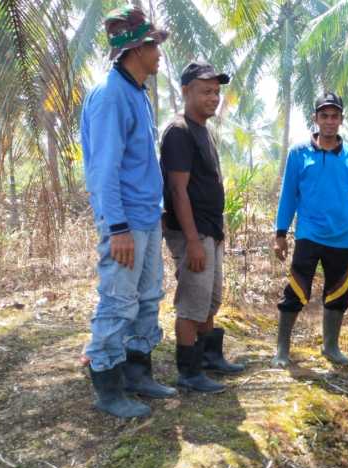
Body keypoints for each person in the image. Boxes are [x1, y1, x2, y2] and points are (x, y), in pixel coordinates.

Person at [80, 6, 176, 418]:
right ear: (137, 48)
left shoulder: (136, 92)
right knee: (118, 301)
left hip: (146, 216)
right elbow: (104, 170)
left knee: (148, 296)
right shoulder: (110, 96)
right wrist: (116, 226)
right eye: (155, 46)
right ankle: (107, 383)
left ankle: (138, 372)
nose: (160, 55)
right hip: (125, 223)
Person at [160, 60, 245, 394]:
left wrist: (216, 235)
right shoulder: (179, 132)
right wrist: (193, 241)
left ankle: (209, 357)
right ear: (186, 91)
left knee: (210, 299)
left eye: (216, 92)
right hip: (192, 232)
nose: (213, 98)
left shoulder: (203, 130)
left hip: (210, 229)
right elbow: (178, 190)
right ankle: (188, 371)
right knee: (191, 303)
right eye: (205, 91)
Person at [272, 92, 348, 368]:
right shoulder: (298, 154)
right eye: (324, 116)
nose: (329, 121)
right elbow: (288, 195)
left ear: (341, 120)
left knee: (338, 293)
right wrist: (280, 234)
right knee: (295, 290)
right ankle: (282, 349)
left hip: (341, 237)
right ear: (315, 118)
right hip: (308, 235)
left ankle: (331, 347)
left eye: (334, 116)